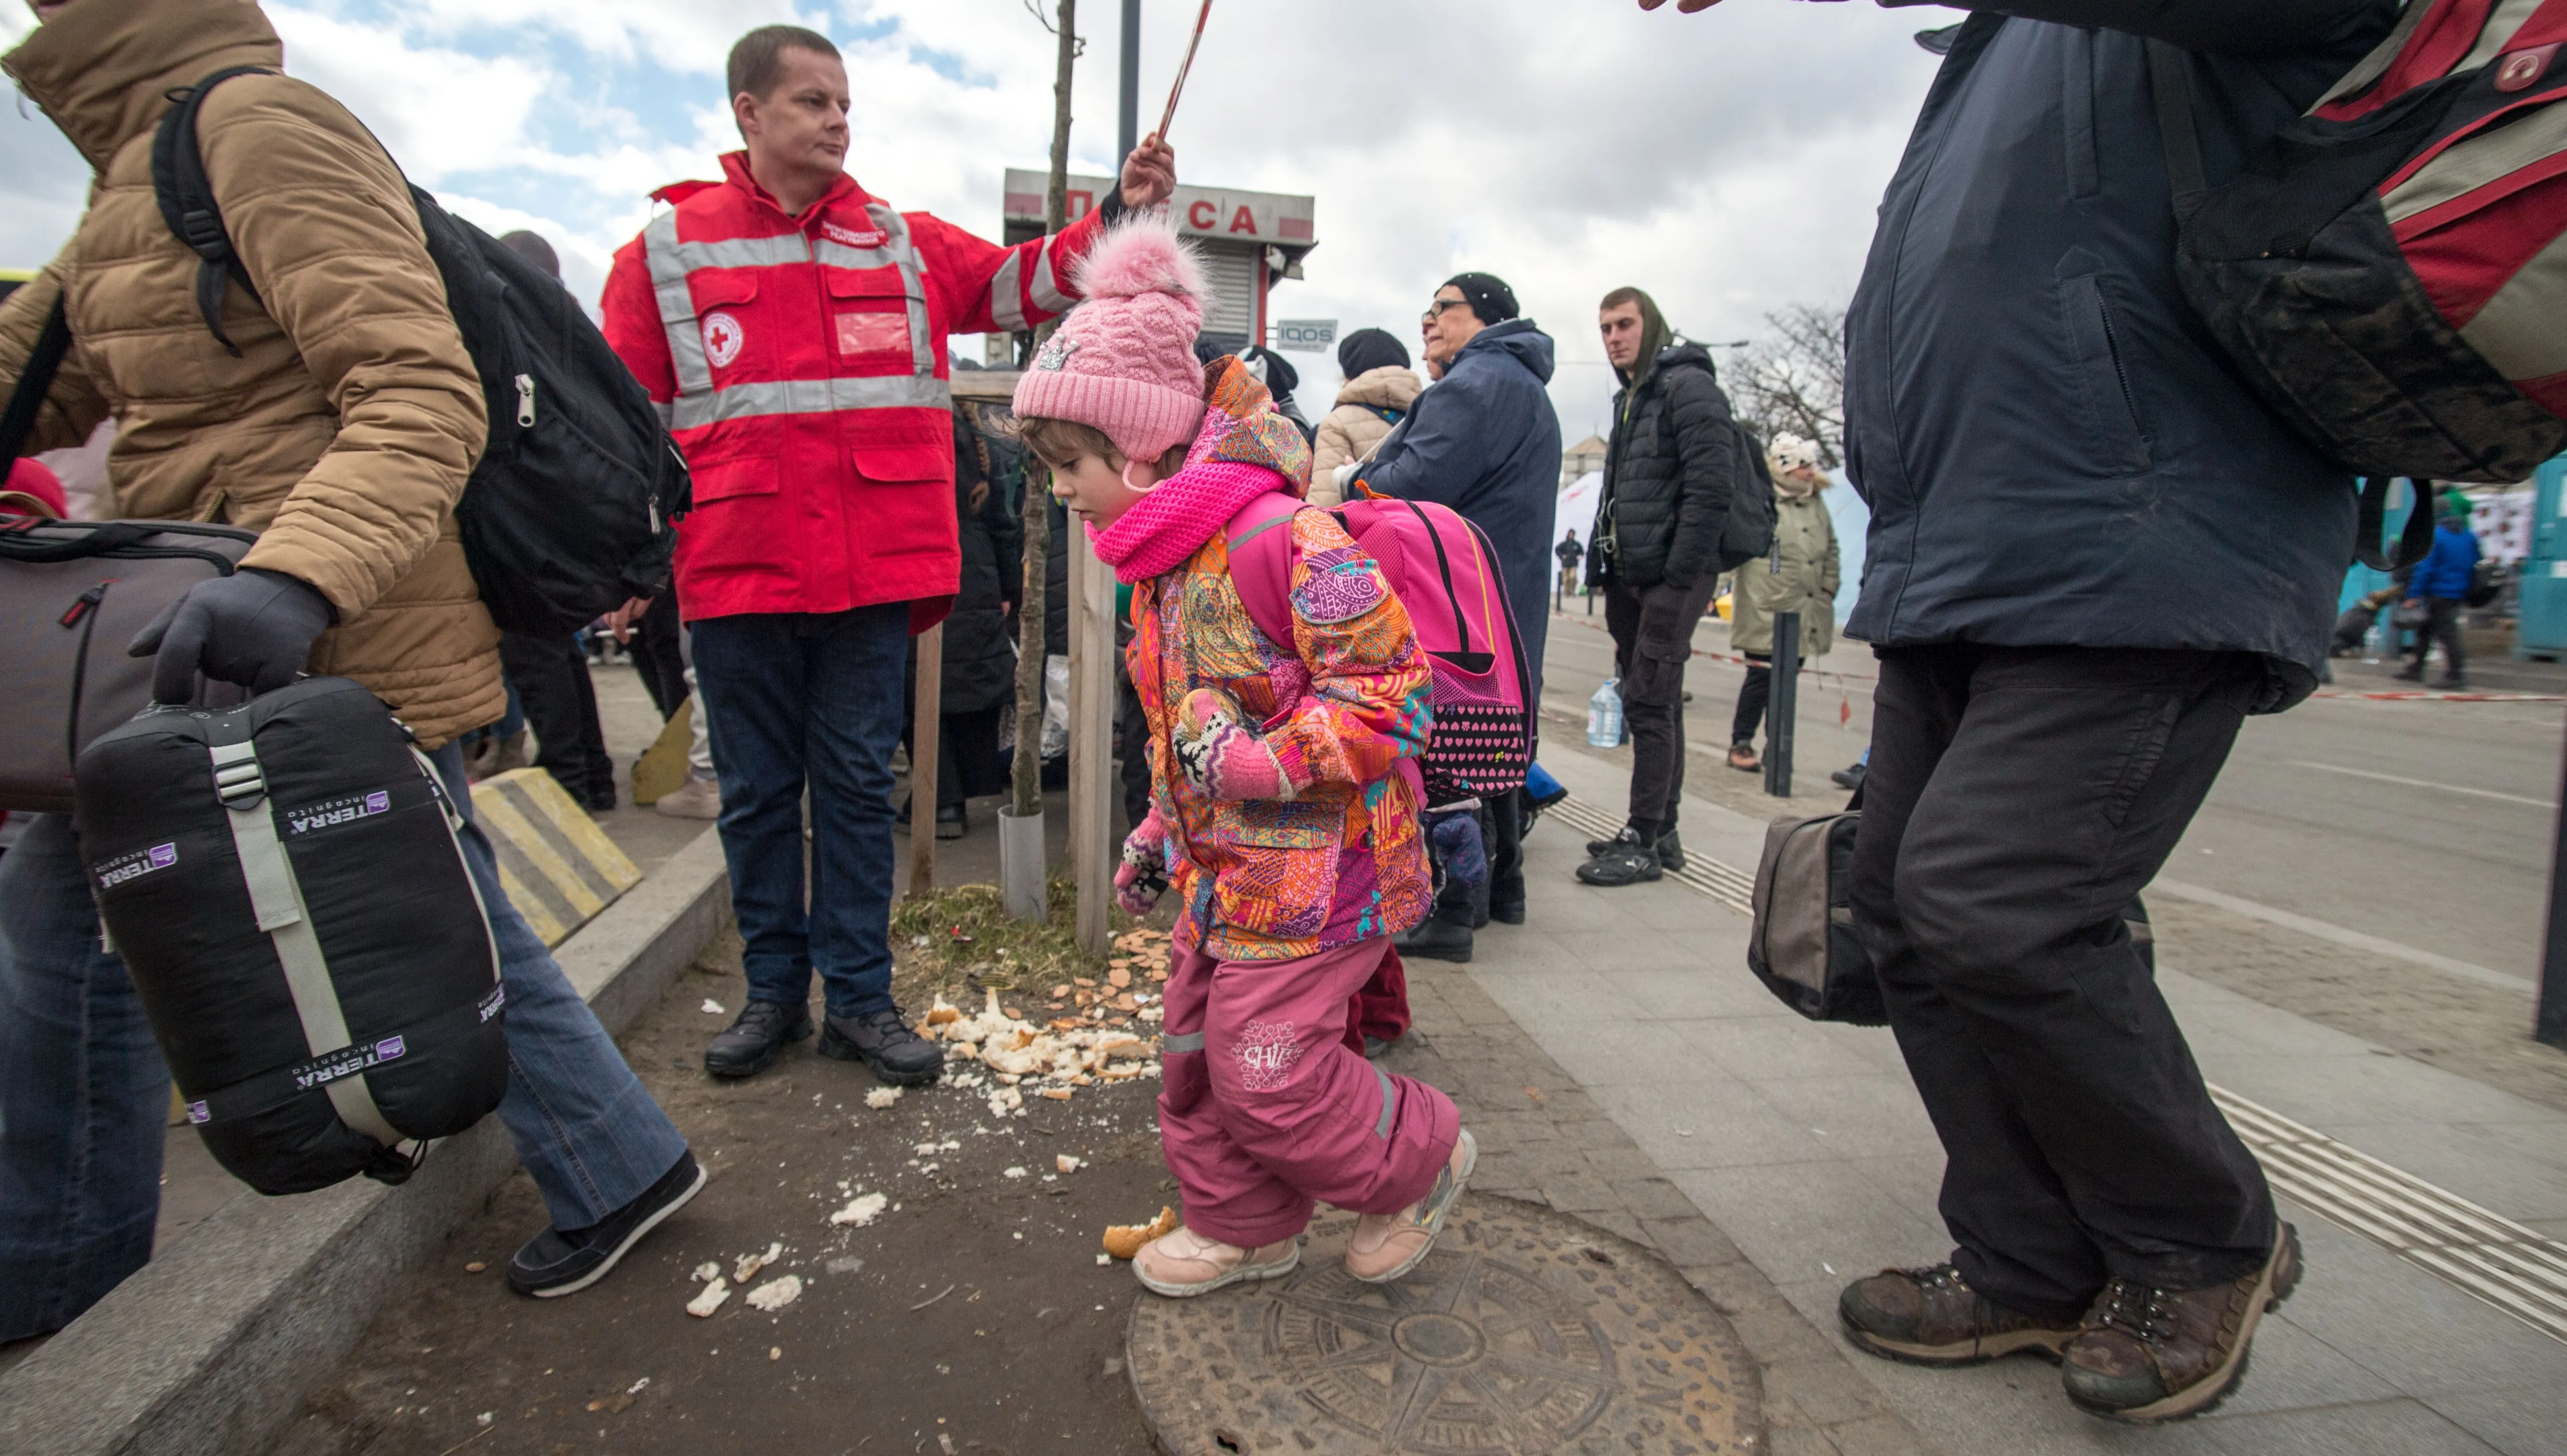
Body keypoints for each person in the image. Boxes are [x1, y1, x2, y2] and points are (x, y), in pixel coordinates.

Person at [1644, 0, 2396, 1423]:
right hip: (1967, 540)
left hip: (2141, 520)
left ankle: (2202, 1232)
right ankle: (2032, 1252)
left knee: (2001, 896)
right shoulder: (1997, 49)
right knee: (1902, 906)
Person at [0, 0, 704, 1319]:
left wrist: (294, 573)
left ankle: (59, 1279)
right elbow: (40, 372)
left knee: (97, 924)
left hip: (308, 622)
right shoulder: (128, 177)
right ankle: (619, 1164)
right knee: (117, 919)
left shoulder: (250, 128)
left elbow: (421, 385)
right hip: (213, 630)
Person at [601, 24, 1176, 1082]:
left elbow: (1028, 282)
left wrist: (1120, 214)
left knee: (860, 789)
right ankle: (774, 993)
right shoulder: (665, 254)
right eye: (812, 102)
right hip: (735, 570)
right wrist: (625, 569)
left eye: (843, 104)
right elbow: (624, 425)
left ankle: (858, 1000)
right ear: (748, 112)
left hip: (871, 575)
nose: (835, 121)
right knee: (759, 795)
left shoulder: (898, 241)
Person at [1013, 215, 1472, 1297]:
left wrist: (1268, 763)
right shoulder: (1166, 572)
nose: (1060, 491)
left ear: (1137, 445)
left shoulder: (1284, 540)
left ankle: (1419, 1157)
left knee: (1268, 1073)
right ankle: (1249, 1226)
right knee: (1194, 1055)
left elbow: (1394, 696)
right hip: (1228, 883)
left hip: (1328, 881)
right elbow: (1191, 742)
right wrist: (1157, 829)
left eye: (1070, 464)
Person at [1351, 273, 1561, 958]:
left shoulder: (1476, 385)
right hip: (1502, 592)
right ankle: (1506, 888)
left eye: (1443, 308)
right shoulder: (1523, 386)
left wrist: (1353, 479)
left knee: (1450, 738)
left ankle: (1454, 907)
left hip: (1455, 596)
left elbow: (1410, 482)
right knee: (1489, 730)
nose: (1428, 321)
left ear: (1488, 316)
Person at [1576, 286, 1744, 888]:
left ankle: (1642, 837)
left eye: (1624, 324)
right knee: (1655, 697)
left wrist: (1678, 575)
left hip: (1668, 574)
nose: (1614, 337)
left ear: (1651, 326)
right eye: (1605, 328)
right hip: (1632, 574)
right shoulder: (1632, 397)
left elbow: (1710, 486)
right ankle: (1661, 832)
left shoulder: (1685, 386)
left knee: (1648, 700)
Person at [485, 229, 618, 812]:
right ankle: (590, 773)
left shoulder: (514, 327)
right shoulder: (570, 328)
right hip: (568, 513)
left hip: (528, 514)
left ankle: (571, 779)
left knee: (534, 652)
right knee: (557, 651)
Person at [900, 397, 1025, 839]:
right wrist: (1010, 587)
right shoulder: (975, 436)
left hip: (921, 563)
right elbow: (1003, 522)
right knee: (969, 686)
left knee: (920, 691)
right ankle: (961, 792)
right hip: (977, 569)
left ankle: (940, 801)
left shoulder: (915, 421)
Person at [1725, 435, 1839, 772]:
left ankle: (1778, 747)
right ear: (1786, 469)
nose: (1809, 472)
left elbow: (1830, 547)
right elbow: (1740, 543)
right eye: (1803, 466)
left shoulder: (1816, 502)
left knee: (1788, 679)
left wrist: (1829, 586)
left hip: (1805, 606)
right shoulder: (1762, 497)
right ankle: (1741, 742)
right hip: (1765, 603)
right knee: (1761, 677)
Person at [1311, 327, 1420, 507]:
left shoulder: (1338, 423)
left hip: (1362, 533)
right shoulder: (1427, 416)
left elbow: (1326, 506)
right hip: (1424, 531)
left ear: (1348, 372)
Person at [2397, 501, 2481, 689]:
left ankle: (2455, 676)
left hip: (2438, 592)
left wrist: (2413, 594)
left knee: (2447, 634)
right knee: (2425, 631)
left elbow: (2424, 568)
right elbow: (2477, 562)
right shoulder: (2469, 536)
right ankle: (2415, 669)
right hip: (2459, 592)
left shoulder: (2436, 536)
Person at [1555, 528, 1585, 604]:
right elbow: (1557, 549)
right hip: (1565, 564)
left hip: (1573, 564)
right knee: (1565, 579)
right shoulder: (1564, 544)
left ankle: (1572, 591)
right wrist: (1561, 556)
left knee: (1573, 577)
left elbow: (1582, 552)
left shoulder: (1576, 544)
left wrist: (1580, 555)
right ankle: (1566, 592)